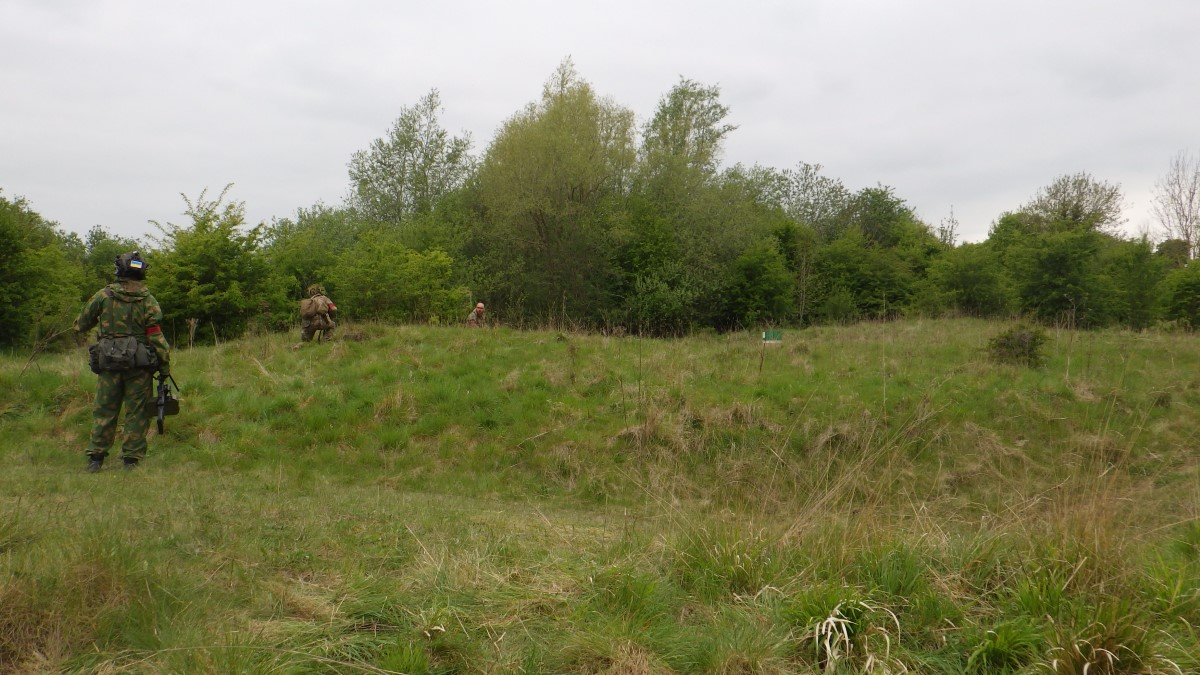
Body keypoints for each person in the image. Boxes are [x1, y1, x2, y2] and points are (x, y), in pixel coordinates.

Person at [74, 251, 172, 472]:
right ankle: (131, 461)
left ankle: (96, 459)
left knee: (104, 410)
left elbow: (81, 324)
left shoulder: (103, 296)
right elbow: (155, 336)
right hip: (139, 367)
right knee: (137, 412)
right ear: (142, 271)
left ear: (119, 269)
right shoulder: (148, 301)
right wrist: (164, 366)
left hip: (109, 364)